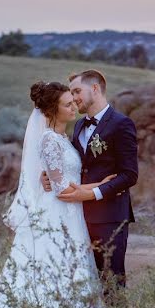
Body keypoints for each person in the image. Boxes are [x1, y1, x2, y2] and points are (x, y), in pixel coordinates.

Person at [0, 81, 110, 308]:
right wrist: (101, 186)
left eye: (72, 101)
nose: (74, 106)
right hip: (60, 214)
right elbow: (60, 189)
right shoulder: (49, 141)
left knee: (73, 269)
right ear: (52, 111)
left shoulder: (64, 137)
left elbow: (59, 177)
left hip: (72, 213)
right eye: (67, 104)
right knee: (57, 268)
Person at [42, 69, 138, 292]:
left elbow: (129, 175)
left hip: (109, 218)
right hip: (78, 218)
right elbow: (74, 165)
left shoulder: (121, 124)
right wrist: (49, 175)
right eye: (72, 93)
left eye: (77, 91)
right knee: (86, 284)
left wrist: (92, 193)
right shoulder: (78, 126)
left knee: (112, 284)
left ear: (95, 88)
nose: (74, 98)